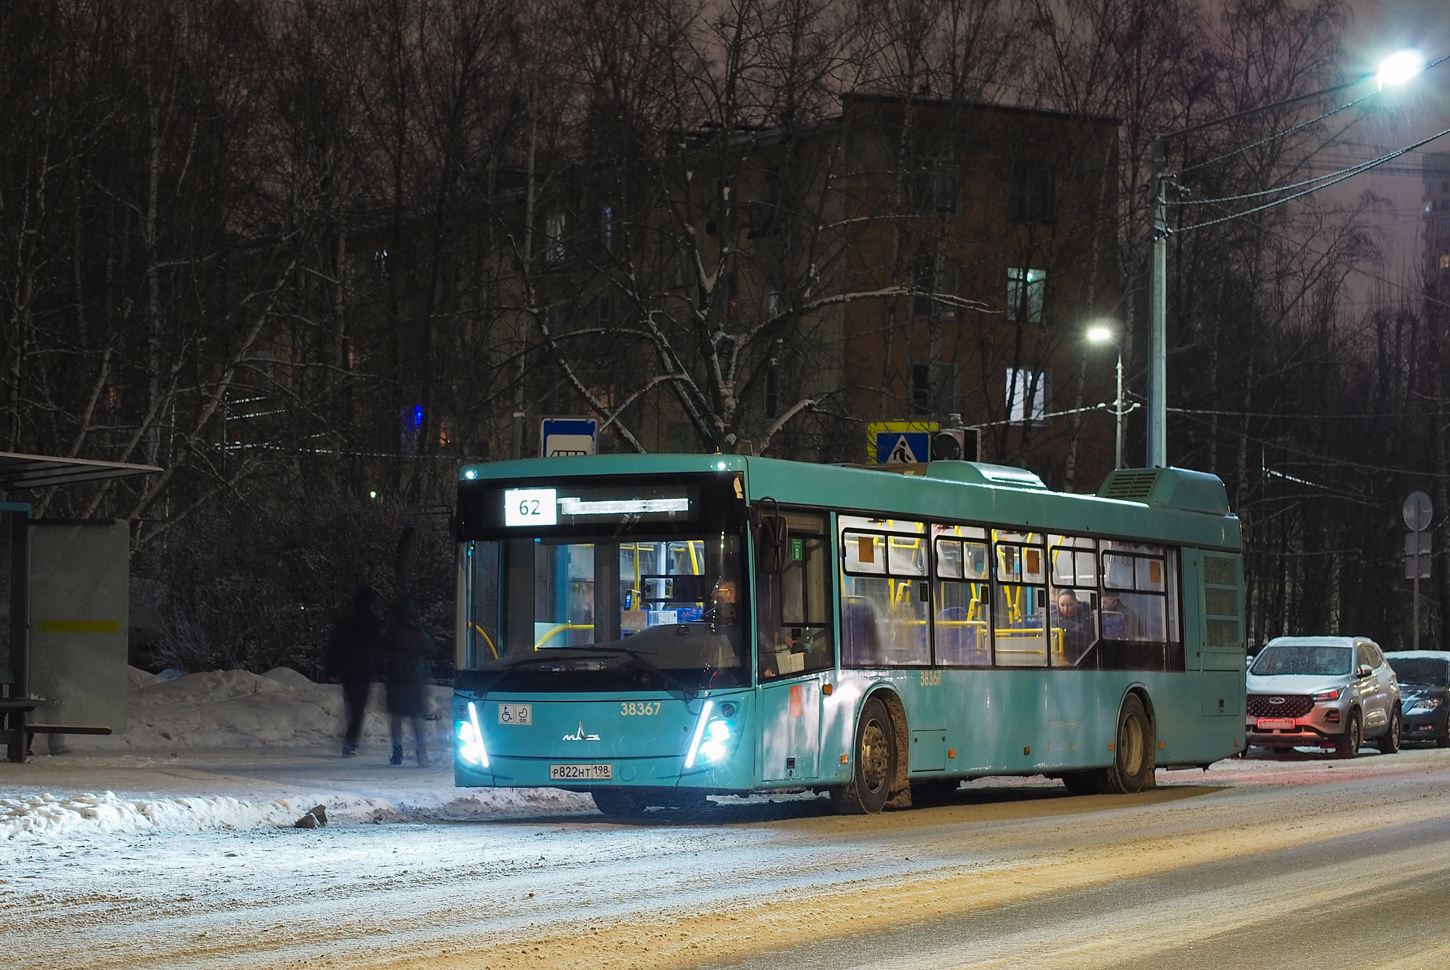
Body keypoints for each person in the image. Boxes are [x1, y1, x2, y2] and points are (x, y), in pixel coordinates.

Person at [325, 585, 382, 758]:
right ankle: (350, 744)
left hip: (349, 671)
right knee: (358, 710)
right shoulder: (372, 624)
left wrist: (333, 669)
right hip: (363, 671)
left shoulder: (347, 622)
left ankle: (350, 742)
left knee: (353, 709)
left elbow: (336, 647)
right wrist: (377, 669)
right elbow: (377, 649)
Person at [382, 596, 436, 766]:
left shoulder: (392, 633)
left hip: (396, 679)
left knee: (396, 718)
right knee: (417, 718)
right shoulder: (418, 632)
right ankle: (422, 755)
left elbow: (381, 651)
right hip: (414, 679)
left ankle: (397, 754)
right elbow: (432, 649)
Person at [1052, 589, 1094, 663]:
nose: (1065, 609)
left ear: (1075, 602)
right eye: (1062, 605)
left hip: (1082, 658)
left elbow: (1090, 641)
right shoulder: (1053, 617)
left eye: (1069, 605)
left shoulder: (1086, 616)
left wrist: (1070, 643)